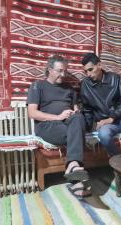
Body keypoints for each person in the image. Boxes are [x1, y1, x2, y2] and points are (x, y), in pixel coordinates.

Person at [27, 55, 90, 197]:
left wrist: (74, 112)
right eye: (60, 71)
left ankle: (73, 166)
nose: (63, 75)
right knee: (76, 135)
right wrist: (58, 117)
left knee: (79, 117)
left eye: (65, 71)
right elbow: (32, 113)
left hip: (68, 123)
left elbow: (75, 109)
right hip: (47, 126)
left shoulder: (69, 89)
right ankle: (75, 172)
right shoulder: (38, 86)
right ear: (50, 69)